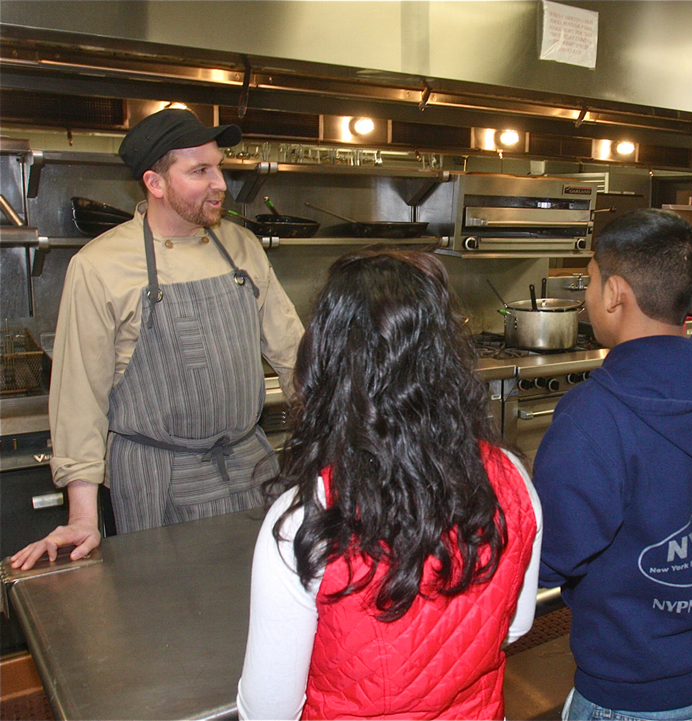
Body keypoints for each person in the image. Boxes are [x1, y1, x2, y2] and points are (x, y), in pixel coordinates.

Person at [237, 249, 541, 720]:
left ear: (325, 362)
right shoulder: (510, 475)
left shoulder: (305, 520)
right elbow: (514, 625)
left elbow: (268, 709)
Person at [11, 109, 303, 570]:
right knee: (173, 619)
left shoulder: (241, 245)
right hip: (158, 478)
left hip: (252, 467)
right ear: (155, 182)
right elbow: (79, 397)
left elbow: (293, 354)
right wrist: (83, 516)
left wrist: (337, 446)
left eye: (219, 166)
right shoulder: (100, 265)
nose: (220, 183)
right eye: (200, 171)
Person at [533, 209, 692, 721]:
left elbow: (551, 554)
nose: (587, 295)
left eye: (591, 280)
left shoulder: (592, 413)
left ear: (615, 292)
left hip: (627, 693)